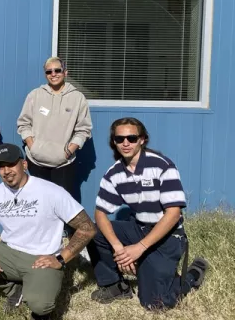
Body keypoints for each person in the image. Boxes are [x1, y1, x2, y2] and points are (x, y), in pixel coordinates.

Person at [0, 144, 96, 320]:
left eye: (11, 164)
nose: (6, 171)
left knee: (40, 306)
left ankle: (35, 287)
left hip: (42, 257)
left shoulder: (50, 191)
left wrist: (61, 259)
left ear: (24, 165)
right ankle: (14, 288)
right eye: (1, 166)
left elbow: (87, 227)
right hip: (9, 252)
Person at [89, 118, 209, 309]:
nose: (126, 143)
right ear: (114, 142)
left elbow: (173, 214)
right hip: (139, 227)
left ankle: (192, 276)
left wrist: (139, 248)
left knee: (156, 304)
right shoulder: (114, 174)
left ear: (142, 139)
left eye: (131, 137)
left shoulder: (162, 166)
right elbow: (100, 212)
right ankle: (115, 286)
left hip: (168, 234)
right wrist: (119, 248)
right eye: (120, 139)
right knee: (92, 231)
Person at [17, 56, 91, 197]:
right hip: (36, 161)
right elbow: (24, 123)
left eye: (57, 70)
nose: (53, 74)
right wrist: (33, 147)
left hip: (64, 163)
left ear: (65, 72)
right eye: (49, 72)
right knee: (38, 203)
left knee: (62, 206)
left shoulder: (77, 98)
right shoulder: (35, 95)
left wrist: (68, 152)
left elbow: (84, 129)